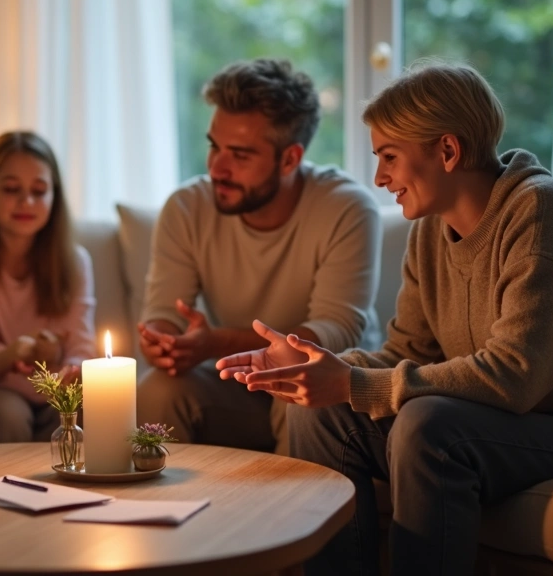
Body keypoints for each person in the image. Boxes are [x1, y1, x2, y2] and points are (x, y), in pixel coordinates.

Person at [217, 60, 553, 575]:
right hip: (520, 424)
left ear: (447, 150)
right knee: (317, 410)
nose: (379, 177)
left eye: (389, 156)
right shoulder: (430, 232)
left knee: (429, 423)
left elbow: (514, 376)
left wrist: (351, 382)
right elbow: (407, 354)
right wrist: (316, 367)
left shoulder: (545, 213)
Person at [137, 58, 382, 453]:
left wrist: (214, 343)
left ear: (290, 159)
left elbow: (336, 331)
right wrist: (165, 340)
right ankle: (165, 514)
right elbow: (164, 311)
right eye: (214, 146)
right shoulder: (186, 207)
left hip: (327, 386)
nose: (217, 168)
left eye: (240, 154)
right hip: (236, 386)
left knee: (295, 392)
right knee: (158, 389)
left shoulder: (347, 209)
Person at [0, 131, 96, 443]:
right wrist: (34, 360)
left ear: (55, 196)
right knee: (9, 412)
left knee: (88, 407)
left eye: (39, 191)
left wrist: (70, 369)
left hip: (52, 385)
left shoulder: (75, 260)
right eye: (12, 189)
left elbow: (81, 349)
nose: (26, 201)